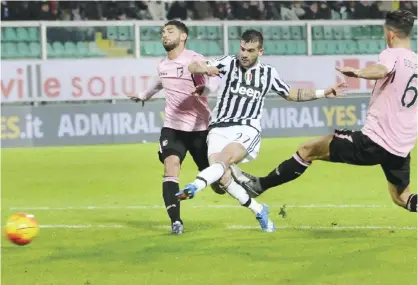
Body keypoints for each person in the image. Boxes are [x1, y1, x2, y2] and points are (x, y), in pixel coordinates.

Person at [231, 10, 418, 214]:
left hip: (374, 141)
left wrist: (359, 72)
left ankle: (259, 185)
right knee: (402, 197)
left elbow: (382, 69)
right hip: (401, 147)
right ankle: (259, 185)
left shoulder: (391, 54)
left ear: (390, 34)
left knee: (308, 150)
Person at [176, 29, 346, 232]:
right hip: (218, 127)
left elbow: (290, 94)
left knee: (223, 161)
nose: (244, 54)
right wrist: (204, 69)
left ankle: (193, 186)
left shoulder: (268, 73)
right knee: (220, 182)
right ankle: (259, 210)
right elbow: (193, 66)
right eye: (242, 49)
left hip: (246, 128)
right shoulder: (228, 62)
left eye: (250, 50)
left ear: (260, 51)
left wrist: (323, 92)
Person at [127, 20, 224, 235]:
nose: (164, 35)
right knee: (171, 166)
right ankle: (176, 222)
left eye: (170, 31)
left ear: (183, 36)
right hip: (173, 127)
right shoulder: (162, 65)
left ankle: (234, 183)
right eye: (162, 32)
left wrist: (204, 90)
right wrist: (144, 95)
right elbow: (159, 82)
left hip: (200, 129)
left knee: (220, 186)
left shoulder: (194, 59)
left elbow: (214, 81)